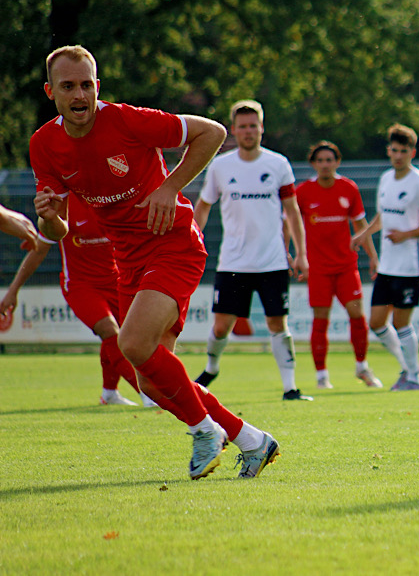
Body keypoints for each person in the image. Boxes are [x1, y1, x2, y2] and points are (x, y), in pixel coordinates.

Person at [31, 44, 279, 479]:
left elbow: (213, 132)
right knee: (149, 380)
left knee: (131, 345)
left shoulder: (125, 119)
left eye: (87, 84)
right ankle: (251, 440)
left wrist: (170, 187)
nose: (80, 94)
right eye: (68, 86)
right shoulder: (44, 144)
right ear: (51, 91)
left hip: (174, 244)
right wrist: (49, 219)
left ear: (97, 87)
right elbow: (59, 232)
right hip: (127, 259)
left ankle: (205, 430)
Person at [192, 99, 311, 401]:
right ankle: (211, 368)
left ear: (262, 128)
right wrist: (191, 238)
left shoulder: (278, 164)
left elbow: (292, 210)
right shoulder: (220, 166)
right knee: (221, 326)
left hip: (272, 262)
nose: (248, 131)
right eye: (242, 126)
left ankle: (290, 387)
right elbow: (204, 206)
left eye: (253, 125)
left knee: (277, 323)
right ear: (233, 130)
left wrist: (301, 253)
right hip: (233, 262)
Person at [2, 196, 153, 406]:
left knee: (123, 335)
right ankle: (147, 395)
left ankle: (109, 393)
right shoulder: (63, 205)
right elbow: (38, 251)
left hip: (116, 281)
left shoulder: (109, 199)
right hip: (80, 285)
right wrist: (13, 291)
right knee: (109, 331)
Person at [350, 124, 419, 391]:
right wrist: (363, 234)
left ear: (412, 153)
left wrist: (407, 234)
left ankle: (414, 376)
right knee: (377, 322)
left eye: (404, 151)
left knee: (400, 323)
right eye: (394, 150)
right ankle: (408, 368)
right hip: (387, 265)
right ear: (388, 151)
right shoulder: (386, 179)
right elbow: (384, 215)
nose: (398, 155)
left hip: (411, 267)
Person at [295, 140, 380, 389]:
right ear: (313, 164)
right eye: (320, 160)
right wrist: (292, 255)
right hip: (318, 269)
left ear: (337, 162)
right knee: (320, 320)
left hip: (346, 266)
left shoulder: (348, 188)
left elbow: (361, 227)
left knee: (357, 316)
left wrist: (372, 256)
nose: (325, 165)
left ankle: (362, 368)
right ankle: (321, 376)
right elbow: (289, 224)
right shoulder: (303, 192)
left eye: (329, 160)